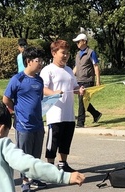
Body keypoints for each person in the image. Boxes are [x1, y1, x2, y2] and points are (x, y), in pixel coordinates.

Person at [3, 45, 48, 192]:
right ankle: (25, 182)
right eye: (38, 60)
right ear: (28, 61)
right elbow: (6, 99)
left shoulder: (39, 80)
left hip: (38, 123)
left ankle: (34, 178)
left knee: (36, 154)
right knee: (24, 154)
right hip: (23, 124)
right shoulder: (17, 79)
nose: (41, 63)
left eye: (42, 60)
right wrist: (14, 113)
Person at [40, 39, 84, 173]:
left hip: (68, 112)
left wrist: (79, 90)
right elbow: (43, 89)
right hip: (55, 112)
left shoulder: (69, 70)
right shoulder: (48, 70)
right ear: (54, 53)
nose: (65, 56)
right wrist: (54, 93)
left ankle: (63, 163)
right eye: (62, 53)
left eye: (67, 53)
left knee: (66, 139)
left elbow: (74, 86)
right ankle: (50, 166)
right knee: (53, 140)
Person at [72, 32, 102, 128]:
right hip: (79, 80)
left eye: (78, 42)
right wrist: (71, 76)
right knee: (84, 101)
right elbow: (76, 67)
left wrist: (98, 80)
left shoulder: (91, 52)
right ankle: (96, 114)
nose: (77, 43)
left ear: (84, 41)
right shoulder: (77, 54)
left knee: (82, 101)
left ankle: (80, 123)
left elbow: (96, 66)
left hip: (88, 80)